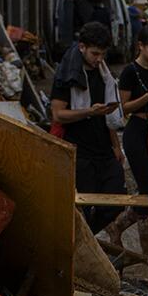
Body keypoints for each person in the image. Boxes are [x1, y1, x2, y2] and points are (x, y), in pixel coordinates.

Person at [52, 21, 127, 232]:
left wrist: (115, 146)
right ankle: (82, 244)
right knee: (82, 204)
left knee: (116, 199)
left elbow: (107, 115)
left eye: (102, 54)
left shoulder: (105, 75)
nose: (99, 59)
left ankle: (89, 237)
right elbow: (58, 114)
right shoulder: (67, 75)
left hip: (104, 151)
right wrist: (89, 112)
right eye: (95, 53)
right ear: (82, 47)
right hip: (79, 152)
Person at [110, 22, 148, 265]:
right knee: (147, 187)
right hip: (137, 131)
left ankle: (118, 226)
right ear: (140, 47)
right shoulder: (129, 72)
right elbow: (122, 109)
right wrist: (147, 97)